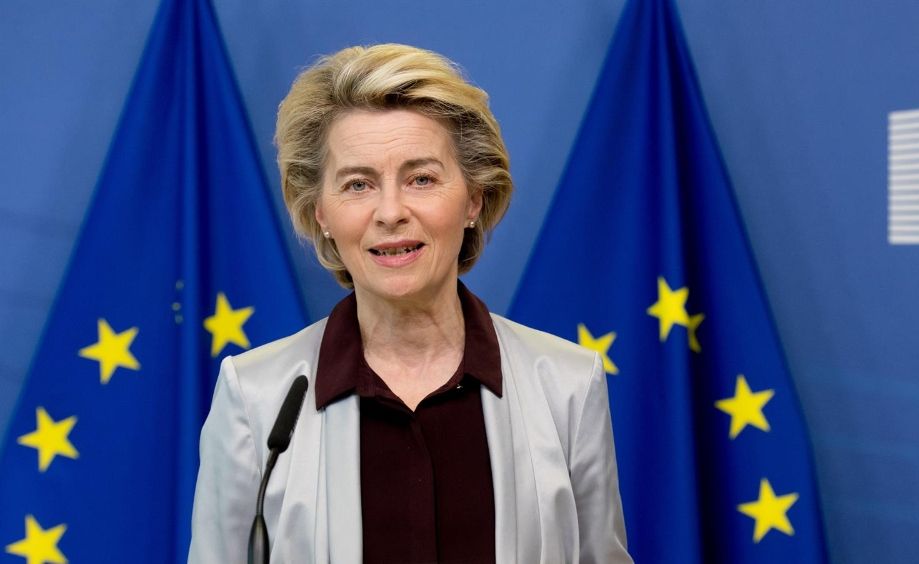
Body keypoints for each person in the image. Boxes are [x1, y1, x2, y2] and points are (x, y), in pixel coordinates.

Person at [188, 44, 631, 563]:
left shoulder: (567, 386)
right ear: (320, 212)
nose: (391, 212)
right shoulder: (256, 399)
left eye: (421, 178)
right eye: (358, 184)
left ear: (473, 198)